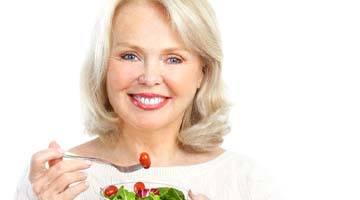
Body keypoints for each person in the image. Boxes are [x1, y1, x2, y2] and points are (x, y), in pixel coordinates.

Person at [15, 0, 275, 199]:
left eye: (173, 59)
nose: (149, 78)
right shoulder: (53, 181)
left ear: (202, 73)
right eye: (130, 56)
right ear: (103, 67)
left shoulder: (246, 182)